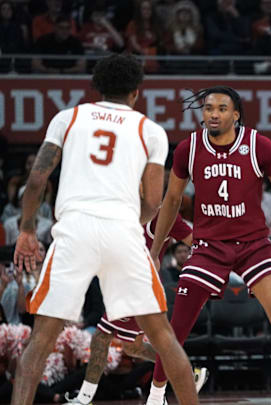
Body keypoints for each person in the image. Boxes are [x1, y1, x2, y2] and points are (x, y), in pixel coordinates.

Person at [11, 53, 199, 405]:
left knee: (41, 340)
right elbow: (153, 202)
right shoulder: (150, 130)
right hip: (122, 231)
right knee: (162, 337)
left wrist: (26, 230)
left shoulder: (68, 118)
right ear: (136, 92)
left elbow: (37, 179)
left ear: (96, 87)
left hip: (75, 229)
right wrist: (132, 222)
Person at [145, 86, 271, 405]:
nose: (214, 114)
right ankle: (155, 397)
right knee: (176, 328)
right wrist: (154, 251)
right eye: (208, 109)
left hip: (254, 246)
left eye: (221, 108)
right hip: (208, 247)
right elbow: (172, 201)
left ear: (235, 115)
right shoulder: (188, 149)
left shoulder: (259, 145)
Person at [64, 213, 198, 405]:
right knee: (132, 347)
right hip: (123, 283)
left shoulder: (164, 214)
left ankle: (84, 399)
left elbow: (195, 241)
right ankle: (186, 370)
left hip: (139, 285)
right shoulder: (124, 206)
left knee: (102, 337)